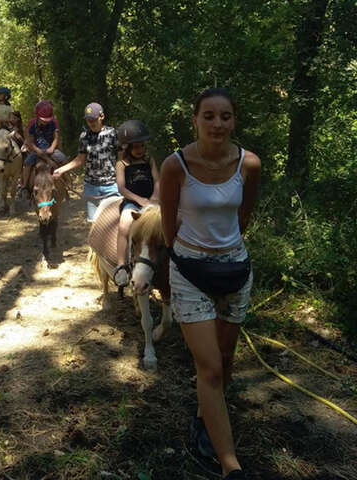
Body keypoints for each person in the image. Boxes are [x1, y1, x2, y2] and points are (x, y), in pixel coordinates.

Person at [159, 87, 261, 480]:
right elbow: (168, 221)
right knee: (211, 368)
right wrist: (184, 257)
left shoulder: (249, 163)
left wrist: (226, 250)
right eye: (209, 116)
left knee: (226, 360)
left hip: (235, 269)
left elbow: (243, 215)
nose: (217, 124)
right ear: (195, 120)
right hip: (189, 270)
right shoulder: (176, 165)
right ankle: (230, 465)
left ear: (234, 120)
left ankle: (204, 418)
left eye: (225, 116)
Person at [53, 103, 120, 222]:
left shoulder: (113, 134)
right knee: (94, 225)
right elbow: (80, 159)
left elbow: (122, 158)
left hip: (112, 186)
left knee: (113, 223)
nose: (91, 122)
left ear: (102, 116)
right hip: (91, 187)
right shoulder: (84, 136)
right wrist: (61, 170)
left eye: (93, 119)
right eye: (88, 120)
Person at [113, 120, 159, 287]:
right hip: (132, 202)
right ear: (127, 148)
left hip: (152, 201)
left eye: (142, 146)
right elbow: (122, 188)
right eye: (135, 147)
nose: (139, 150)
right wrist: (139, 200)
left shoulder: (149, 160)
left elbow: (157, 181)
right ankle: (120, 265)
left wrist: (154, 197)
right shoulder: (122, 164)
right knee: (125, 224)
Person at [22, 101, 67, 192]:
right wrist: (37, 150)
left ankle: (66, 182)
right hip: (36, 150)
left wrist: (52, 148)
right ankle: (24, 185)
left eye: (47, 120)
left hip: (50, 149)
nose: (46, 122)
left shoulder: (54, 123)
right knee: (27, 163)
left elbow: (56, 138)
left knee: (63, 159)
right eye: (43, 120)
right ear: (37, 116)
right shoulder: (32, 124)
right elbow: (30, 141)